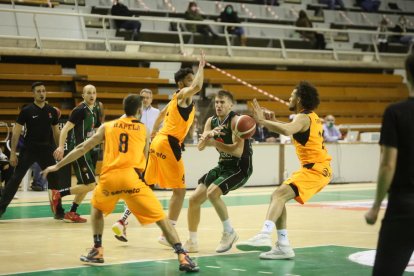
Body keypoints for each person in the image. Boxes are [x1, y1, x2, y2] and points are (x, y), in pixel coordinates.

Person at [42, 94, 199, 272]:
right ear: (139, 110)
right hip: (132, 178)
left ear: (123, 108)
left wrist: (57, 166)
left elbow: (82, 148)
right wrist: (141, 179)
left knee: (97, 209)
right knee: (162, 219)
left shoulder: (107, 127)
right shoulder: (143, 130)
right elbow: (146, 158)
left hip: (110, 179)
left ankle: (97, 249)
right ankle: (182, 255)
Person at [236, 81, 332, 259]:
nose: (289, 98)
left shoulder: (302, 118)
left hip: (315, 170)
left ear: (299, 99)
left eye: (292, 95)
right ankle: (283, 245)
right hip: (318, 169)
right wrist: (272, 121)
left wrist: (262, 121)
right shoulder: (311, 117)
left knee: (278, 195)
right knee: (278, 197)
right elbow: (293, 129)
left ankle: (264, 235)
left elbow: (288, 130)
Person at [145, 52, 206, 247]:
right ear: (180, 84)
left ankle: (124, 220)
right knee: (179, 191)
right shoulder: (182, 95)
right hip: (168, 143)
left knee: (147, 184)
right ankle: (166, 233)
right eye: (188, 79)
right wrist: (201, 68)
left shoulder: (174, 99)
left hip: (160, 142)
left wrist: (153, 134)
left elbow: (161, 115)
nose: (192, 82)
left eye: (192, 77)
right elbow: (197, 86)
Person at [184, 90, 253, 253]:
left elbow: (238, 152)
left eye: (222, 102)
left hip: (239, 168)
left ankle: (229, 232)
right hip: (223, 165)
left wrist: (214, 142)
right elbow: (200, 147)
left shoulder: (236, 121)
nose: (218, 105)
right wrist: (207, 136)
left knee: (212, 192)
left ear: (231, 105)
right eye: (216, 102)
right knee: (194, 199)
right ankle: (192, 241)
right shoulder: (211, 121)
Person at [364, 54, 414, 275]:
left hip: (404, 205)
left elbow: (388, 165)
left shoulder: (396, 112)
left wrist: (376, 206)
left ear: (406, 75)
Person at [0, 82, 64, 219]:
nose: (42, 93)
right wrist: (12, 153)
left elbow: (57, 132)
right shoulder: (27, 111)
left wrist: (60, 148)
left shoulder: (52, 111)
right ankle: (1, 208)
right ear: (33, 93)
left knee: (55, 180)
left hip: (47, 149)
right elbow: (16, 132)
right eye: (39, 91)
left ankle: (59, 211)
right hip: (29, 149)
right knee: (15, 179)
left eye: (43, 91)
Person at [112, 88, 160, 241]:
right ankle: (122, 222)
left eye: (148, 97)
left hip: (150, 154)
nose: (145, 99)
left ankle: (122, 222)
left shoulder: (157, 113)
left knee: (137, 192)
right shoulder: (126, 117)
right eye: (142, 97)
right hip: (134, 158)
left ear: (152, 99)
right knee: (139, 192)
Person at [53, 84, 103, 223]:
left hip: (89, 150)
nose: (91, 95)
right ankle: (59, 194)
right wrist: (61, 147)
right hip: (79, 150)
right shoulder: (79, 110)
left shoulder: (96, 108)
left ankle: (72, 212)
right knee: (92, 184)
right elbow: (65, 129)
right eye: (88, 93)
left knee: (85, 184)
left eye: (93, 92)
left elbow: (96, 128)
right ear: (83, 95)